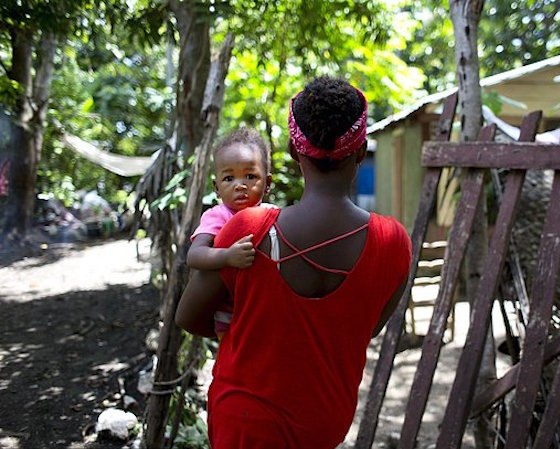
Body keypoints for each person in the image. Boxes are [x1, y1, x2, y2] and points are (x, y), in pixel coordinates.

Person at [176, 76, 411, 448]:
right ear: (361, 151)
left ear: (292, 151)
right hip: (324, 423)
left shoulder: (248, 229)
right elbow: (366, 328)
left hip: (244, 422)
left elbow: (188, 317)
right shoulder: (392, 242)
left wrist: (251, 330)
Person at [187, 128, 273, 340]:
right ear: (216, 187)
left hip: (264, 306)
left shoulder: (272, 214)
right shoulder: (218, 216)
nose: (240, 185)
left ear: (268, 183)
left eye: (250, 176)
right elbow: (194, 255)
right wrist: (227, 256)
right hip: (229, 314)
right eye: (229, 178)